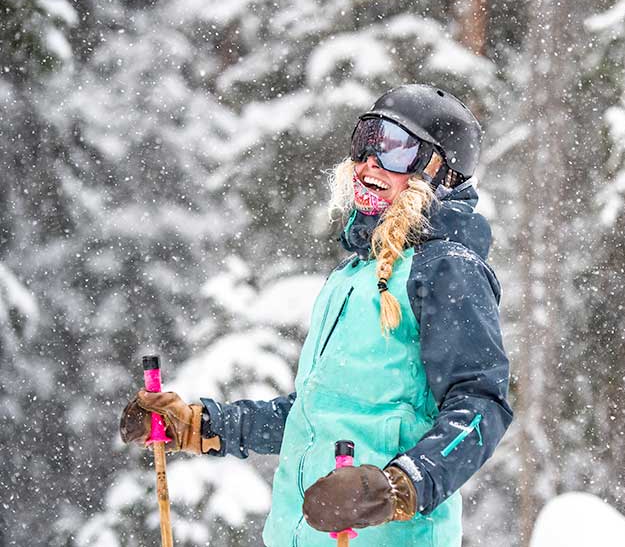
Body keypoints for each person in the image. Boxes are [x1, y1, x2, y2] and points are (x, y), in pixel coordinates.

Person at [120, 84, 513, 547]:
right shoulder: (353, 276)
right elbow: (315, 414)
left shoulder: (447, 269)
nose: (369, 163)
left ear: (440, 172)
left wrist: (399, 485)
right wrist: (204, 425)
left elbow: (480, 405)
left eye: (394, 148)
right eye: (364, 142)